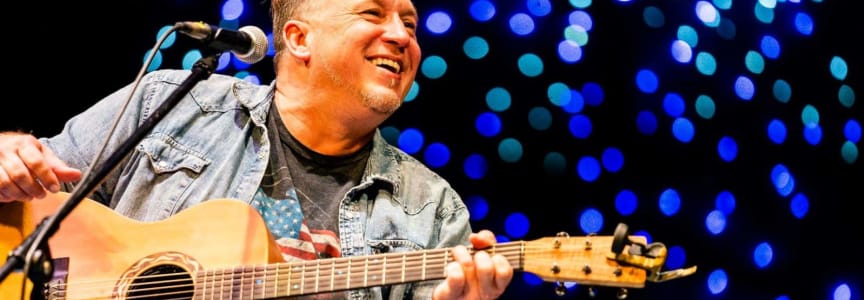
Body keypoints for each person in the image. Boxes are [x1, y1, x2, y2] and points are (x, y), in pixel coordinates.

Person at [0, 0, 514, 299]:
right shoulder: (173, 102)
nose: (402, 36)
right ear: (298, 38)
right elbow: (33, 190)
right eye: (374, 13)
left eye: (411, 24)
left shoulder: (433, 210)